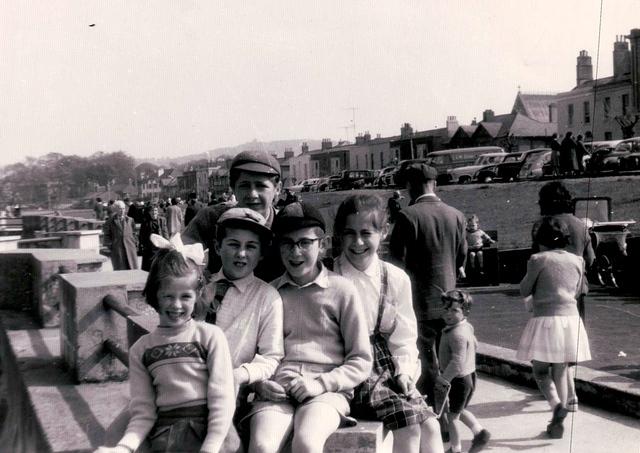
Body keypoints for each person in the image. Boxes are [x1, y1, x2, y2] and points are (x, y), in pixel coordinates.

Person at [246, 202, 372, 453]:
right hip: (277, 389)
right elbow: (251, 354)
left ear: (322, 244)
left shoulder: (342, 290)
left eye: (305, 242)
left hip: (325, 391)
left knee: (306, 442)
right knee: (262, 446)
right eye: (287, 243)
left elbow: (361, 359)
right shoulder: (269, 293)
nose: (295, 252)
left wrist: (322, 384)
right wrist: (258, 384)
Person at [94, 239, 235, 453]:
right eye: (168, 296)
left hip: (212, 433)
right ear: (155, 295)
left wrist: (211, 446)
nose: (177, 305)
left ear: (197, 295)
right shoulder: (142, 349)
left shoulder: (210, 337)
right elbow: (143, 411)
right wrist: (123, 447)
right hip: (166, 436)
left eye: (186, 296)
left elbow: (222, 398)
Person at [332, 194, 443, 453]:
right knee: (409, 424)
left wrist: (404, 373)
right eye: (349, 233)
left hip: (385, 367)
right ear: (339, 234)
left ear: (383, 232)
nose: (357, 242)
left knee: (431, 426)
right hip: (347, 364)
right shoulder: (330, 275)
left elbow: (404, 337)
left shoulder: (395, 278)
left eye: (366, 233)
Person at [204, 207, 284, 451]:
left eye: (251, 247)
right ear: (218, 247)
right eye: (233, 244)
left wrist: (239, 376)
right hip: (186, 388)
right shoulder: (199, 289)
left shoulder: (267, 297)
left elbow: (271, 357)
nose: (241, 253)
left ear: (261, 255)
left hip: (229, 395)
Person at [389, 163, 467, 409]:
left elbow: (395, 265)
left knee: (426, 360)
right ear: (435, 184)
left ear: (410, 186)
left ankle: (435, 414)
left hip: (418, 302)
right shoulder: (456, 214)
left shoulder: (407, 216)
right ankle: (456, 411)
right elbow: (461, 256)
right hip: (451, 302)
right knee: (452, 358)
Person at [516, 217, 591, 439]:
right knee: (561, 369)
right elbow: (578, 290)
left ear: (542, 241)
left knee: (540, 371)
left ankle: (556, 405)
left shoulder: (538, 259)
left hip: (545, 319)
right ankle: (559, 418)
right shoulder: (578, 260)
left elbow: (524, 289)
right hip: (570, 320)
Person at [183, 150, 283, 281]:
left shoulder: (285, 225)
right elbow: (179, 261)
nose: (253, 194)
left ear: (278, 189)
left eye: (260, 186)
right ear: (233, 188)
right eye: (244, 185)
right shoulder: (210, 219)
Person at [435, 290, 491, 453]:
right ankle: (480, 433)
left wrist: (443, 379)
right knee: (459, 410)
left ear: (465, 311)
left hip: (458, 380)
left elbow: (457, 362)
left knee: (452, 417)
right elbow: (475, 344)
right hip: (469, 377)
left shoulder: (456, 334)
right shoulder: (467, 327)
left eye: (454, 310)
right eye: (446, 309)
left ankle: (456, 449)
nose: (448, 314)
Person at [103, 200, 139, 270]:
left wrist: (135, 242)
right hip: (118, 249)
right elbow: (106, 235)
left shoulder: (130, 220)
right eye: (120, 208)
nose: (122, 210)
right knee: (120, 269)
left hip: (130, 247)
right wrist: (110, 245)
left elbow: (134, 233)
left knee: (132, 267)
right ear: (115, 209)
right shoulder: (110, 221)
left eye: (123, 208)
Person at [138, 204, 169, 271]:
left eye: (155, 210)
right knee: (150, 268)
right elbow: (142, 235)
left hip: (160, 247)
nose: (154, 212)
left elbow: (165, 232)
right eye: (152, 211)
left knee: (160, 267)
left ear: (157, 212)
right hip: (150, 248)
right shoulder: (145, 222)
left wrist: (167, 244)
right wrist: (142, 246)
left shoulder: (162, 220)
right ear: (149, 212)